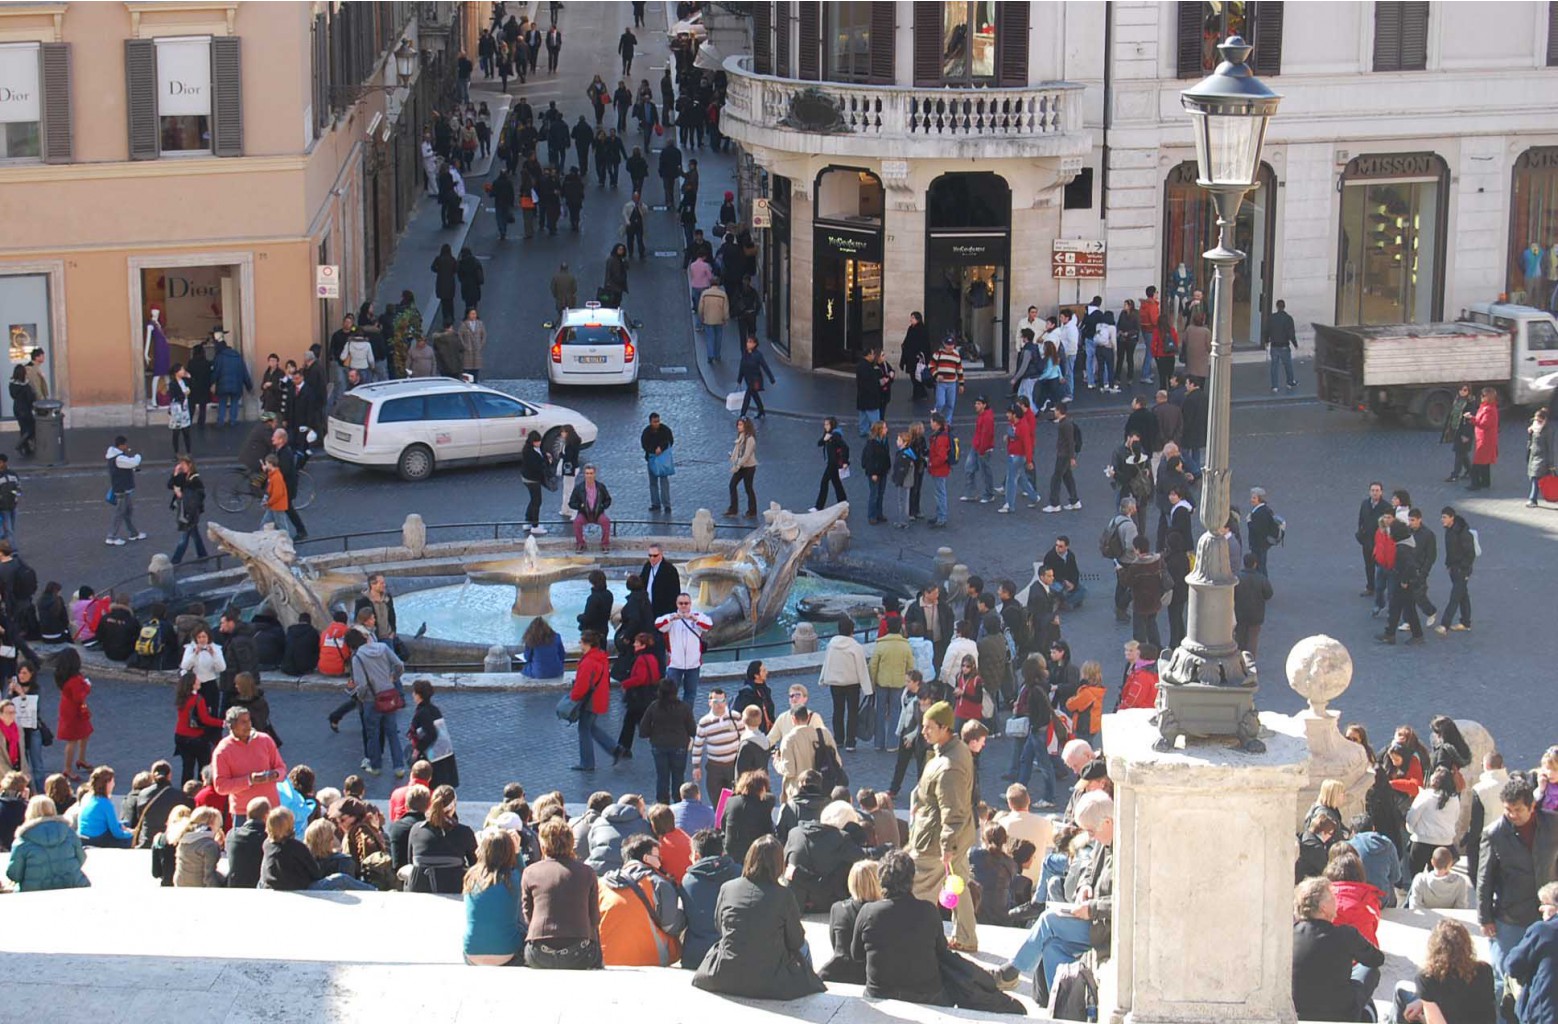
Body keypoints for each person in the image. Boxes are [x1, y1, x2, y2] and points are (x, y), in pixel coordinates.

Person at [692, 833, 826, 998]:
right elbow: (796, 940)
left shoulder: (728, 888)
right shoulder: (783, 895)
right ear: (778, 864)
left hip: (726, 974)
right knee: (804, 946)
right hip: (770, 980)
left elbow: (720, 927)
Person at [1479, 775, 1558, 1015]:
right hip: (1510, 917)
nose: (1512, 815)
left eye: (1517, 810)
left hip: (1546, 913)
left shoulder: (1553, 824)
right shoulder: (1494, 833)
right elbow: (1485, 878)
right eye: (1508, 810)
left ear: (1532, 806)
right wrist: (1485, 918)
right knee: (1506, 978)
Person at [909, 700, 977, 951]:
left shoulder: (949, 767)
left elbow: (953, 810)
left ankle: (917, 939)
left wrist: (947, 845)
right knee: (958, 885)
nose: (924, 731)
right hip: (953, 834)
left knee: (919, 887)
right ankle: (966, 937)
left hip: (938, 839)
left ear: (944, 727)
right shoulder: (954, 750)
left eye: (929, 727)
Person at [852, 848, 951, 1005]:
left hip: (879, 992)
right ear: (912, 879)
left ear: (881, 879)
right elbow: (941, 950)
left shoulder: (868, 912)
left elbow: (856, 954)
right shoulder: (928, 910)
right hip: (926, 994)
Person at [1289, 876, 1386, 1022]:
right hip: (1341, 1011)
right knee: (1368, 970)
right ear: (1323, 908)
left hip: (1297, 1009)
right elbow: (1376, 959)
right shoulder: (1345, 934)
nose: (1336, 901)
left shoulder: (1290, 934)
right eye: (1332, 898)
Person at [521, 818, 603, 969]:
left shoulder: (530, 872)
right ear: (571, 843)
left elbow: (528, 914)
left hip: (539, 952)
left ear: (543, 845)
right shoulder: (587, 872)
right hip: (579, 952)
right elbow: (594, 918)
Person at [598, 833, 687, 966]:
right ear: (646, 858)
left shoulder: (602, 884)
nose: (661, 862)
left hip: (607, 960)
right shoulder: (657, 883)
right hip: (649, 961)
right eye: (658, 857)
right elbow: (671, 926)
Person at [5, 795, 87, 892]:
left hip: (34, 890)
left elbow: (14, 874)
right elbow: (82, 857)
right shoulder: (68, 832)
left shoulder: (23, 839)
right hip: (72, 883)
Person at [1507, 882, 1558, 1024]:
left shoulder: (1543, 931)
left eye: (1544, 903)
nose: (1541, 908)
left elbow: (1513, 965)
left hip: (1546, 1014)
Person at [567, 630, 615, 773]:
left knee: (584, 730)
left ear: (587, 644)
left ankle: (587, 763)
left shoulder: (588, 662)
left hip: (589, 701)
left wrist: (573, 698)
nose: (579, 644)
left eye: (581, 642)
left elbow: (582, 685)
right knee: (591, 727)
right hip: (599, 698)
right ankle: (615, 749)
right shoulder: (601, 657)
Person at [656, 593, 710, 705]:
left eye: (686, 603)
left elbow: (708, 626)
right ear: (677, 604)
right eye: (681, 603)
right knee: (669, 694)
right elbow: (658, 625)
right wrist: (671, 619)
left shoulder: (698, 616)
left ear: (690, 604)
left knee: (690, 694)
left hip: (693, 664)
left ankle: (686, 718)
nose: (684, 606)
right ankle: (671, 717)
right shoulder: (671, 617)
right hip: (675, 664)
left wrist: (695, 619)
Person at [689, 689, 741, 805]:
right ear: (710, 703)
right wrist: (696, 766)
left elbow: (744, 738)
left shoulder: (735, 717)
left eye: (722, 701)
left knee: (735, 799)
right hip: (715, 768)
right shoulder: (704, 722)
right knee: (717, 801)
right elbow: (698, 745)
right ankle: (720, 822)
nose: (720, 704)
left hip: (733, 766)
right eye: (716, 701)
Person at [53, 648, 92, 783]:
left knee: (84, 734)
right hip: (74, 712)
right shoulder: (74, 679)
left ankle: (81, 759)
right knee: (73, 740)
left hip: (69, 710)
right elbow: (78, 696)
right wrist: (87, 686)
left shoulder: (64, 677)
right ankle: (68, 768)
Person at [723, 769, 775, 865]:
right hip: (753, 854)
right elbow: (768, 831)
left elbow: (723, 824)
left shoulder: (731, 801)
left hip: (731, 852)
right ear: (761, 788)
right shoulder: (762, 806)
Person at [76, 766, 133, 848]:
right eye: (113, 781)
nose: (114, 784)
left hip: (82, 836)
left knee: (125, 823)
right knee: (129, 839)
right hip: (97, 839)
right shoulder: (105, 803)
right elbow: (117, 833)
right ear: (107, 783)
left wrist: (121, 826)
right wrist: (131, 834)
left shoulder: (86, 796)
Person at [224, 796, 269, 888]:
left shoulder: (232, 835)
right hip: (257, 889)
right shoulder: (266, 839)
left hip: (234, 886)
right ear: (266, 816)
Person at [567, 464, 612, 553]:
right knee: (577, 522)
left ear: (595, 474)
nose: (589, 476)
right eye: (587, 473)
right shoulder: (579, 488)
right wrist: (580, 506)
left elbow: (608, 499)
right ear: (584, 474)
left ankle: (605, 544)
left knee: (606, 521)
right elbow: (571, 503)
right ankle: (580, 543)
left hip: (598, 513)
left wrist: (602, 506)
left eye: (591, 473)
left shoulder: (600, 487)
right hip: (584, 513)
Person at [724, 417, 759, 519]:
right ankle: (733, 509)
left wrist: (738, 465)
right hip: (741, 466)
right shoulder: (741, 436)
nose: (738, 427)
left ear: (746, 426)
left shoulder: (750, 439)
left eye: (740, 425)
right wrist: (733, 457)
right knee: (732, 485)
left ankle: (752, 511)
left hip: (749, 467)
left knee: (748, 488)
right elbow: (738, 450)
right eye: (738, 425)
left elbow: (747, 455)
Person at [813, 416, 849, 512]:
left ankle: (819, 506)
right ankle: (843, 502)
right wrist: (825, 439)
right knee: (836, 482)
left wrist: (845, 461)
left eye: (827, 424)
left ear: (832, 424)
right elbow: (819, 443)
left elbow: (845, 447)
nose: (825, 426)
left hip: (833, 463)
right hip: (832, 462)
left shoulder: (835, 435)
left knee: (824, 482)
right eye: (824, 424)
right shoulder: (828, 434)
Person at [1468, 386, 1500, 491]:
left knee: (1477, 464)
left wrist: (1471, 419)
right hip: (1484, 438)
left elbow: (1484, 424)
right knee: (1485, 463)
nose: (1481, 397)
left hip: (1485, 440)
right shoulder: (1487, 407)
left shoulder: (1489, 409)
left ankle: (1475, 484)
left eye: (1483, 395)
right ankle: (1485, 482)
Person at [641, 412, 673, 513]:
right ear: (650, 422)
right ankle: (655, 504)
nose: (657, 423)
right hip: (652, 459)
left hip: (663, 460)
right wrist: (653, 450)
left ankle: (667, 505)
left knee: (664, 483)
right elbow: (644, 445)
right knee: (653, 483)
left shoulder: (665, 430)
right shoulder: (646, 432)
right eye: (655, 422)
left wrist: (661, 448)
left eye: (658, 421)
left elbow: (670, 441)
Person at [1264, 299, 1299, 391]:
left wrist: (1266, 341)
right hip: (1284, 345)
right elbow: (1291, 334)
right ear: (1284, 307)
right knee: (1288, 365)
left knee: (1274, 366)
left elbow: (1267, 330)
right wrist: (1295, 344)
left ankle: (1275, 386)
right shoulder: (1288, 318)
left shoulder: (1271, 317)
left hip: (1274, 345)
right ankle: (1290, 382)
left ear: (1277, 307)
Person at [519, 430, 549, 536]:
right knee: (537, 501)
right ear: (532, 442)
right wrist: (546, 462)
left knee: (533, 500)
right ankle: (535, 526)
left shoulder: (532, 449)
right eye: (537, 441)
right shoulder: (529, 453)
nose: (539, 443)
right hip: (532, 479)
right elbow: (537, 466)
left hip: (528, 478)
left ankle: (528, 521)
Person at [1526, 407, 1556, 507]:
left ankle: (1532, 499)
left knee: (1535, 478)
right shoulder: (1534, 428)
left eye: (1539, 420)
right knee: (1537, 479)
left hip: (1542, 459)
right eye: (1536, 419)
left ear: (1545, 420)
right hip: (1533, 457)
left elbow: (1550, 448)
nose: (1537, 422)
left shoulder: (1548, 431)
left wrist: (1551, 464)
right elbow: (1530, 443)